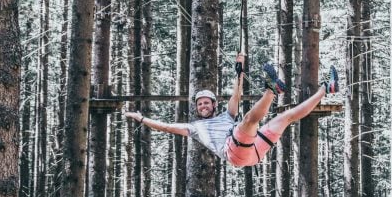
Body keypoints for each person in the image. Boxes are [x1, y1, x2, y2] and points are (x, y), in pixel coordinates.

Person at [123, 54, 339, 167]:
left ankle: (325, 89)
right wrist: (142, 119)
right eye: (200, 105)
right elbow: (167, 127)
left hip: (254, 150)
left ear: (214, 105)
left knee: (285, 117)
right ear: (197, 109)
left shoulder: (227, 115)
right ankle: (272, 91)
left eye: (207, 103)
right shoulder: (195, 127)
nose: (203, 106)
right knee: (248, 122)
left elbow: (236, 94)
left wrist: (240, 68)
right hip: (235, 152)